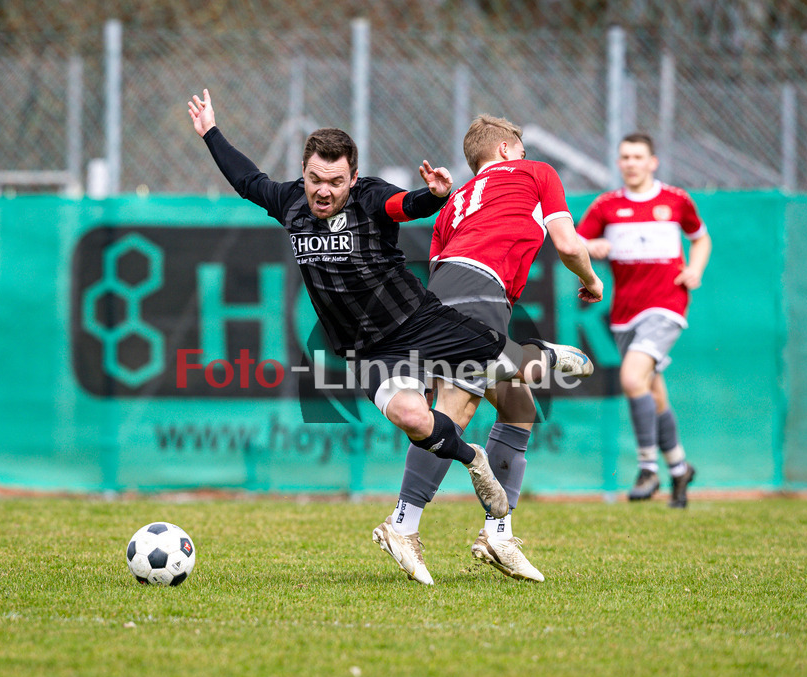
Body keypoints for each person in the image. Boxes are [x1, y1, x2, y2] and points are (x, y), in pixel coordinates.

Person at [187, 89, 595, 539]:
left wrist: (433, 195)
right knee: (420, 417)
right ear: (303, 172)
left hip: (417, 324)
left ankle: (542, 361)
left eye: (335, 181)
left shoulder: (369, 197)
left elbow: (404, 206)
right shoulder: (291, 202)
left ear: (353, 177)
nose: (323, 190)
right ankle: (464, 475)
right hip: (366, 349)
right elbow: (248, 179)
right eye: (315, 179)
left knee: (512, 376)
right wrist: (210, 132)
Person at [373, 115, 603, 585]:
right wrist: (591, 279)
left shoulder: (455, 201)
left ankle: (498, 533)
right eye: (520, 148)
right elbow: (567, 244)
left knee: (518, 405)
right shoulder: (535, 172)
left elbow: (440, 266)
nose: (524, 155)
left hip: (452, 290)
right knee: (455, 408)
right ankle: (402, 524)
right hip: (480, 289)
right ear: (504, 149)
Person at [576, 132, 712, 508]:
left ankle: (647, 468)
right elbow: (573, 241)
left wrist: (695, 269)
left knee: (632, 378)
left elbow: (701, 238)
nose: (631, 163)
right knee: (652, 391)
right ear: (619, 163)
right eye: (625, 157)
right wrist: (591, 246)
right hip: (624, 313)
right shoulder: (607, 206)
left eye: (638, 157)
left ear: (653, 162)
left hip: (667, 305)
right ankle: (679, 468)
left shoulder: (676, 200)